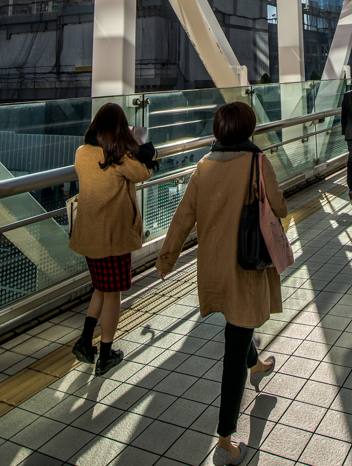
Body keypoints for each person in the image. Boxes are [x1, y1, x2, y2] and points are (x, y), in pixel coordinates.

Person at [156, 102, 287, 466]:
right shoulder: (257, 163)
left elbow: (183, 217)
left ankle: (256, 363)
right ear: (248, 130)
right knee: (236, 340)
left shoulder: (203, 166)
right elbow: (280, 207)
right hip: (244, 267)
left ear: (218, 131)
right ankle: (225, 439)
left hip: (214, 268)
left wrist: (166, 258)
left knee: (237, 324)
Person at [69, 103, 159, 375]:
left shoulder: (82, 152)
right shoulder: (118, 156)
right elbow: (144, 173)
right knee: (113, 294)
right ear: (120, 128)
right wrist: (140, 149)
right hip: (112, 237)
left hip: (89, 235)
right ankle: (106, 353)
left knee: (100, 287)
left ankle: (85, 342)